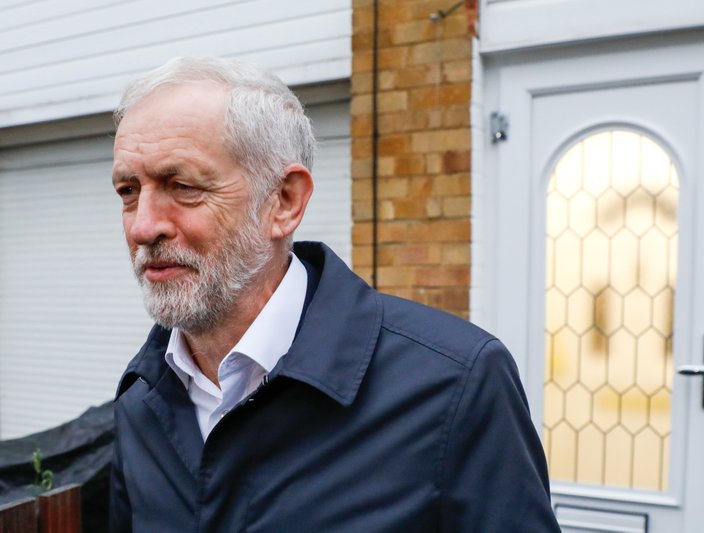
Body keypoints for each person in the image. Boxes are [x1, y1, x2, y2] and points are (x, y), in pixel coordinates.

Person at [109, 56, 560, 532]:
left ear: (284, 202)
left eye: (182, 186)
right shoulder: (142, 397)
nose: (143, 226)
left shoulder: (456, 384)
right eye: (128, 191)